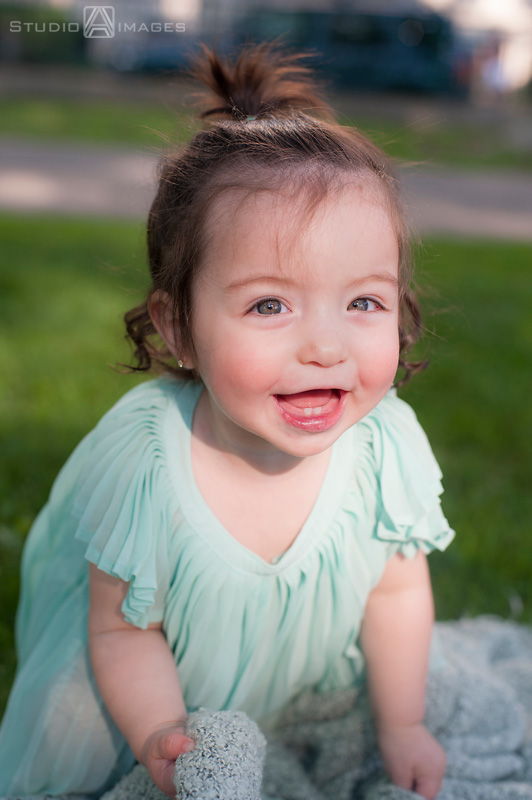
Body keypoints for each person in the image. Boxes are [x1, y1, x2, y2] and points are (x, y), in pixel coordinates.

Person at [0, 44, 454, 799]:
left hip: (305, 689)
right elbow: (122, 630)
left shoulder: (384, 448)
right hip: (151, 700)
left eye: (363, 302)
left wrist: (402, 726)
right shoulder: (149, 461)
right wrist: (158, 733)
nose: (324, 346)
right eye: (269, 305)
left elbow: (396, 595)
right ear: (178, 328)